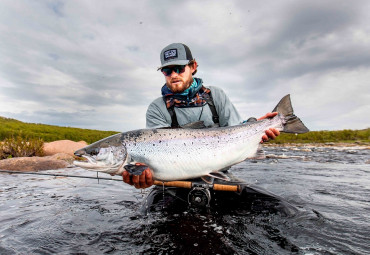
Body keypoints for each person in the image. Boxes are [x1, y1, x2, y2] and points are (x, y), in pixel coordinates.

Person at [122, 43, 280, 189]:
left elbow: (235, 128)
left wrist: (256, 126)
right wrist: (142, 176)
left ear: (193, 66)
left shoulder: (216, 95)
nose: (174, 74)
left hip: (219, 176)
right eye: (167, 71)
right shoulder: (157, 108)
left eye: (179, 68)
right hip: (173, 183)